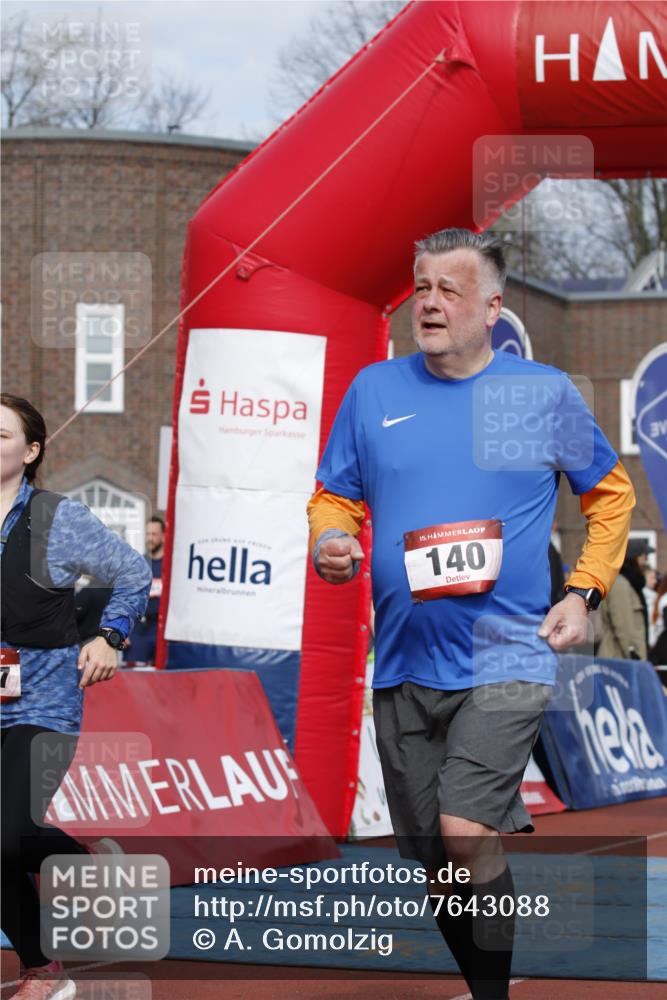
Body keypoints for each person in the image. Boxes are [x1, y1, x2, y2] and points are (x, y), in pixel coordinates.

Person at [307, 229, 634, 1000]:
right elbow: (334, 495)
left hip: (505, 654)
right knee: (436, 860)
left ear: (491, 308)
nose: (428, 303)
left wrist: (582, 592)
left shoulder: (540, 394)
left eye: (448, 290)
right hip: (403, 660)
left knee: (464, 832)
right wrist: (329, 539)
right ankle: (487, 974)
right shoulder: (373, 391)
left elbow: (610, 495)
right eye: (421, 287)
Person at [0, 394, 151, 1000]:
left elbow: (132, 572)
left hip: (42, 701)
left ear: (30, 451)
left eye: (0, 434)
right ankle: (45, 967)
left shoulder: (56, 518)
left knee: (7, 836)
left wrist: (110, 637)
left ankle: (84, 870)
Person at [597, 538, 653, 661]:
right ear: (635, 558)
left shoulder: (630, 584)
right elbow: (623, 625)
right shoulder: (620, 585)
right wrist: (633, 655)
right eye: (644, 556)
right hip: (620, 659)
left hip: (624, 658)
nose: (646, 561)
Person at [124, 517, 164, 666]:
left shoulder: (171, 566)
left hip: (161, 631)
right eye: (147, 534)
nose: (150, 538)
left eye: (154, 534)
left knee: (164, 675)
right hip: (138, 631)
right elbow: (123, 598)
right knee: (134, 676)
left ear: (163, 536)